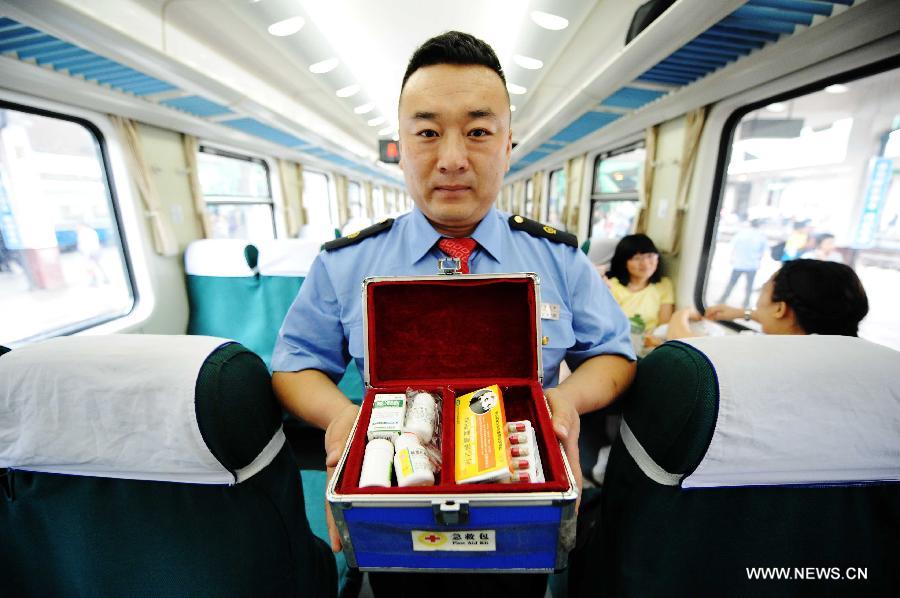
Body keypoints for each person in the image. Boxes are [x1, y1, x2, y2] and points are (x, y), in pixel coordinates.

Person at [271, 31, 636, 597]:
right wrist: (341, 418)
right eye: (427, 133)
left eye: (478, 132)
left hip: (521, 508)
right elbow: (294, 365)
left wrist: (564, 401)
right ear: (401, 145)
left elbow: (614, 354)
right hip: (397, 512)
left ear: (508, 144)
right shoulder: (345, 263)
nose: (452, 159)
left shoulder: (558, 258)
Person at [668, 259, 868, 339]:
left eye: (764, 289)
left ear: (780, 309)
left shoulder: (765, 354)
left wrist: (681, 313)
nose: (759, 296)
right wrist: (743, 313)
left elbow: (685, 343)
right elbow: (786, 318)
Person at [605, 234, 674, 345]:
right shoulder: (611, 287)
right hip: (619, 344)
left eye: (650, 256)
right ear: (624, 262)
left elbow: (664, 325)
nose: (645, 263)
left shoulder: (664, 285)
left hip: (652, 343)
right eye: (637, 258)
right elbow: (609, 327)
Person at [719, 218, 767, 308]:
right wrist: (759, 261)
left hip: (739, 264)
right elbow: (763, 252)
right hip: (752, 265)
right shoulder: (761, 236)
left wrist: (733, 258)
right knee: (749, 285)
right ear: (759, 225)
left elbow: (733, 246)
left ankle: (723, 299)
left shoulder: (742, 233)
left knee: (732, 283)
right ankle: (746, 303)